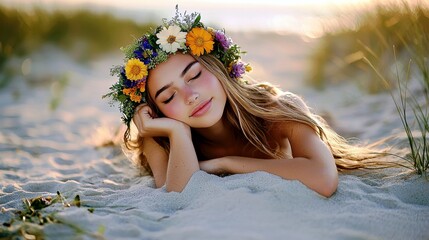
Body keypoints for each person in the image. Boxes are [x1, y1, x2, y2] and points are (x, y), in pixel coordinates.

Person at [104, 8, 383, 197]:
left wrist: (228, 163)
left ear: (219, 68)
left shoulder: (276, 109)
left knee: (320, 119)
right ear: (157, 110)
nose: (191, 96)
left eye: (195, 76)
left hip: (267, 107)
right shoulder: (160, 137)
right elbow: (177, 196)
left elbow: (324, 179)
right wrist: (178, 132)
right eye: (169, 96)